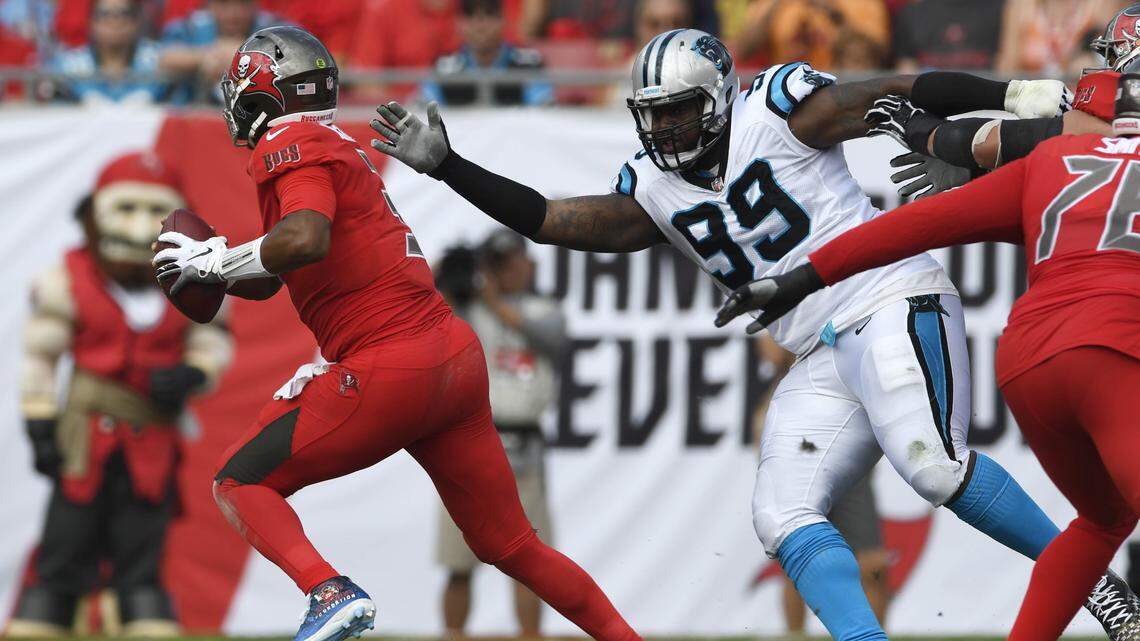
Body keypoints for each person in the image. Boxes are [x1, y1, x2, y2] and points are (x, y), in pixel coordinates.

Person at [369, 28, 1140, 641]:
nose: (664, 125)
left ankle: (1092, 581)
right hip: (817, 346)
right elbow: (554, 220)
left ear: (715, 97)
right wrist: (452, 168)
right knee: (781, 512)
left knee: (930, 465)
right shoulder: (654, 185)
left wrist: (1019, 92)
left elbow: (895, 91)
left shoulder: (778, 108)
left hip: (890, 294)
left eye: (677, 108)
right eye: (654, 112)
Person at [150, 25, 640, 641]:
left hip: (388, 366)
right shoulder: (325, 142)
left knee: (238, 482)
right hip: (451, 357)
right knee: (513, 545)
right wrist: (217, 262)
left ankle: (329, 593)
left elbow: (305, 239)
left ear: (264, 89)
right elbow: (281, 270)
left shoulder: (287, 139)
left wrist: (213, 264)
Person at [714, 69, 1140, 641]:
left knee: (1100, 521)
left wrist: (802, 278)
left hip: (1029, 361)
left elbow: (921, 220)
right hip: (1112, 348)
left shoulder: (1052, 162)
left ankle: (1091, 599)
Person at [9, 153, 232, 637]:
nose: (135, 226)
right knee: (66, 543)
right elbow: (41, 353)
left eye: (150, 211)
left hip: (152, 436)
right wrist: (39, 419)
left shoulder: (190, 282)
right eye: (124, 208)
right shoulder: (68, 278)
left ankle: (140, 612)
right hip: (85, 436)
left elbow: (212, 340)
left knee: (142, 549)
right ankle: (45, 616)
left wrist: (194, 374)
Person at [435, 230, 565, 639]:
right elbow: (431, 322)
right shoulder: (467, 310)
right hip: (472, 442)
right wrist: (447, 277)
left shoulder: (544, 309)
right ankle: (453, 633)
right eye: (498, 263)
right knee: (458, 560)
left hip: (524, 445)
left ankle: (529, 635)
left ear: (529, 264)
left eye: (513, 262)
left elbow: (554, 341)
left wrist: (491, 298)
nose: (508, 270)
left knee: (531, 560)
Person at [421, 0, 553, 107]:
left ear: (504, 19)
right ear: (458, 23)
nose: (480, 25)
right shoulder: (442, 67)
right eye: (470, 14)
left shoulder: (530, 64)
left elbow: (543, 116)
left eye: (489, 14)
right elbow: (423, 111)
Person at [45, 0, 173, 104]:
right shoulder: (67, 65)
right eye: (104, 14)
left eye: (124, 13)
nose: (115, 22)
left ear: (137, 21)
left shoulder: (160, 60)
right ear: (91, 22)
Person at [160, 0, 286, 102]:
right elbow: (163, 57)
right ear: (210, 4)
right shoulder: (191, 27)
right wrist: (205, 56)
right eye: (223, 3)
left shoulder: (276, 28)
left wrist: (238, 56)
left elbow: (296, 55)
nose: (233, 14)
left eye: (243, 3)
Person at [892, 0, 1005, 72]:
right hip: (927, 101)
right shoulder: (912, 12)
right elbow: (906, 70)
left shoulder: (1001, 9)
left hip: (985, 101)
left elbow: (1005, 71)